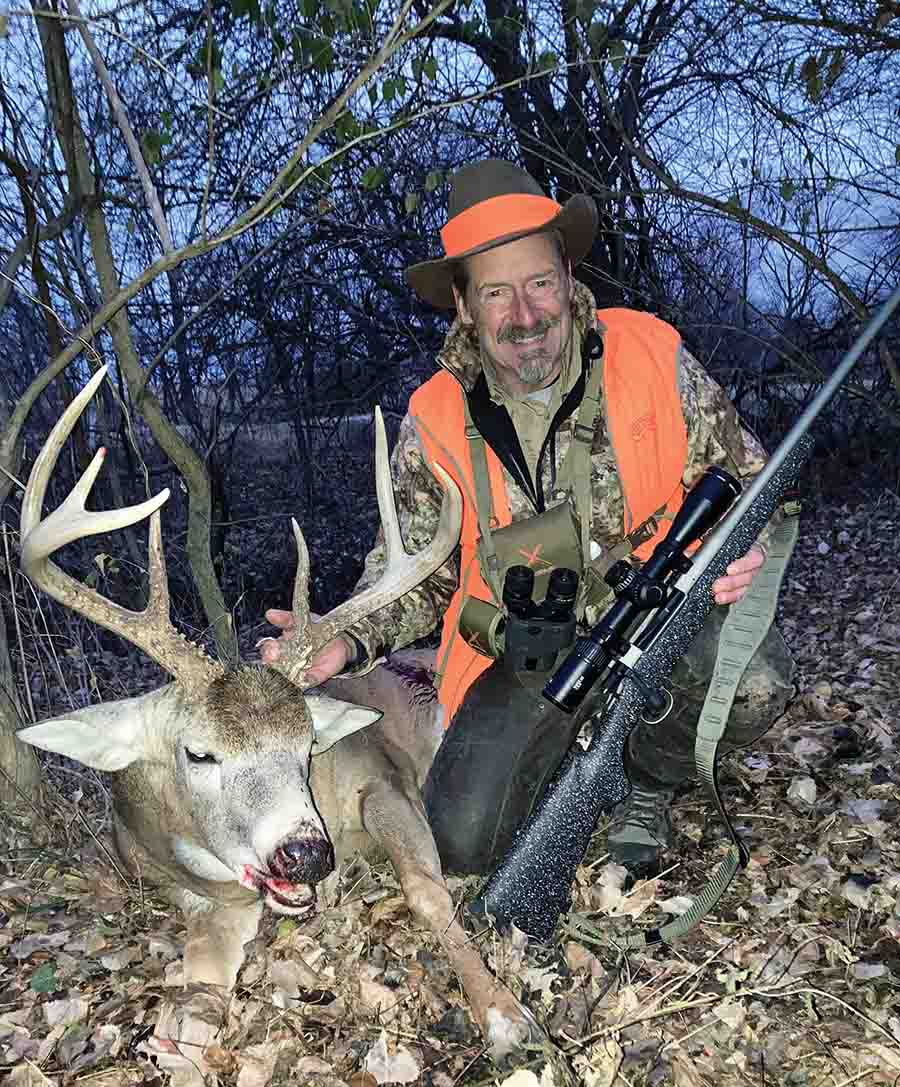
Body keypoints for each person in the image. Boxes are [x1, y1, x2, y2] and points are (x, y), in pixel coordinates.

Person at [261, 160, 794, 880]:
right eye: (496, 292)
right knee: (460, 847)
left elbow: (751, 477)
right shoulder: (435, 417)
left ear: (569, 276)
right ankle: (574, 760)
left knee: (755, 679)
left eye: (540, 282)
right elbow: (412, 573)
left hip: (658, 615)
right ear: (463, 305)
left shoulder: (649, 352)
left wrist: (746, 545)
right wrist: (345, 642)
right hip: (520, 653)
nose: (525, 314)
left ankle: (647, 782)